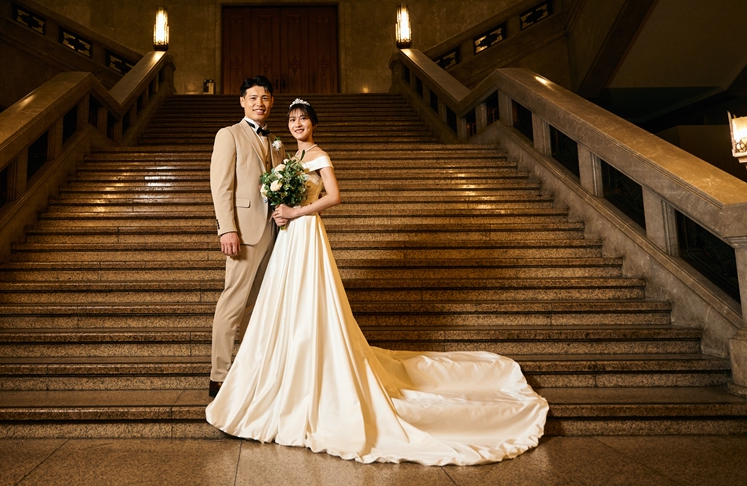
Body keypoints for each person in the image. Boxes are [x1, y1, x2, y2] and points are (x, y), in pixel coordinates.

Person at [206, 98, 549, 466]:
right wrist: (279, 207)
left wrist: (297, 210)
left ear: (314, 123)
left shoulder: (319, 156)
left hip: (305, 234)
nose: (297, 124)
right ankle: (276, 369)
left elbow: (335, 196)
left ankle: (312, 373)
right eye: (292, 119)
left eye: (303, 119)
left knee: (311, 302)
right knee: (281, 304)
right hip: (287, 237)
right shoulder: (287, 157)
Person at [208, 75, 284, 398]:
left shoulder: (277, 141)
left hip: (274, 231)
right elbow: (221, 185)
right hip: (243, 230)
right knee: (233, 302)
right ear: (242, 101)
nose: (259, 103)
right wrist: (227, 227)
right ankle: (219, 376)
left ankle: (251, 370)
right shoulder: (229, 135)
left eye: (265, 98)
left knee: (260, 305)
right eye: (253, 98)